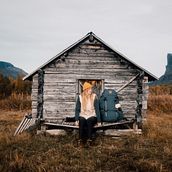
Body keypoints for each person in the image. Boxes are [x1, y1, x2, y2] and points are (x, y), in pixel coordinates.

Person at [75, 82, 101, 146]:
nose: (91, 90)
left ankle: (89, 140)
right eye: (90, 89)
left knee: (89, 121)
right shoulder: (80, 97)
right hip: (83, 114)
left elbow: (97, 109)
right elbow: (77, 109)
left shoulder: (94, 96)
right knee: (81, 120)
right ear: (86, 90)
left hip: (92, 115)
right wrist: (76, 119)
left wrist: (99, 121)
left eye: (91, 89)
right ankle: (80, 140)